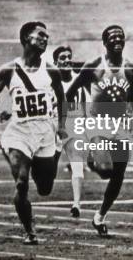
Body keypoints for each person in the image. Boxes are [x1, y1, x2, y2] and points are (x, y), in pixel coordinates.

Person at [0, 21, 66, 244]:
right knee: (22, 182)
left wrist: (61, 126)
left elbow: (62, 100)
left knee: (44, 188)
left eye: (47, 36)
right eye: (40, 35)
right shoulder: (9, 69)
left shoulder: (51, 70)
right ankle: (29, 230)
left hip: (45, 132)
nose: (45, 39)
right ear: (25, 39)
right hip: (19, 132)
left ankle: (55, 154)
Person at [66, 25, 133, 236]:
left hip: (121, 124)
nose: (118, 40)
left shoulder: (132, 68)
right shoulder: (94, 66)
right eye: (113, 37)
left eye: (121, 37)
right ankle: (91, 158)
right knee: (105, 169)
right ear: (105, 42)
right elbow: (71, 92)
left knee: (118, 173)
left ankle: (100, 217)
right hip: (98, 122)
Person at [53, 45, 87, 218]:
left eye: (69, 56)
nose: (67, 60)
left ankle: (76, 203)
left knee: (77, 165)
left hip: (75, 126)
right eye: (62, 57)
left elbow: (87, 106)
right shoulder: (51, 81)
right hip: (55, 127)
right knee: (47, 170)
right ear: (56, 62)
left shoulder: (79, 80)